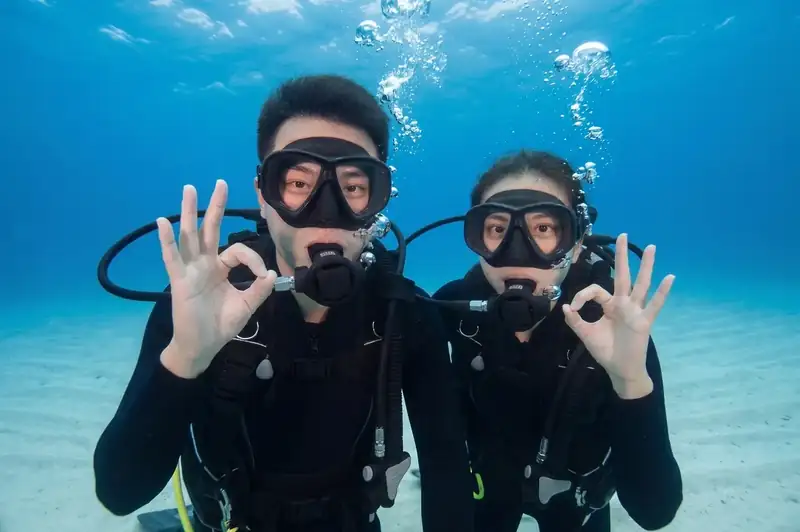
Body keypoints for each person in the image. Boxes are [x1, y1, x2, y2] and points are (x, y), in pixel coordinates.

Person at [93, 75, 474, 532]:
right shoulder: (203, 303)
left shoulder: (406, 313)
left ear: (378, 200)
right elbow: (119, 493)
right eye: (298, 182)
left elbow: (446, 467)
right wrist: (185, 359)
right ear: (263, 194)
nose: (326, 211)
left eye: (353, 187)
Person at [428, 150, 683, 531]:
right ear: (476, 237)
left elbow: (655, 512)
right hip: (488, 489)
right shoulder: (451, 309)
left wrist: (631, 381)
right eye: (498, 229)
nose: (517, 253)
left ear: (576, 243)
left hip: (575, 500)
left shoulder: (612, 323)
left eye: (543, 229)